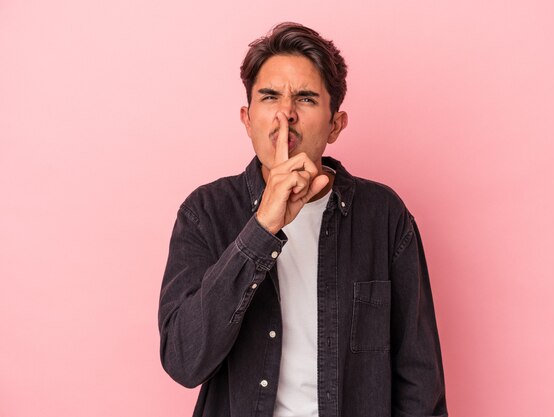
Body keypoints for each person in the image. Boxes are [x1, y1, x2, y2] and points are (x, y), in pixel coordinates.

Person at [158, 22, 447, 417]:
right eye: (270, 96)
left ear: (335, 125)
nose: (286, 114)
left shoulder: (384, 216)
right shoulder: (205, 213)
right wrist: (261, 229)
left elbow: (420, 378)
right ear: (247, 118)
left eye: (306, 99)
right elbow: (183, 361)